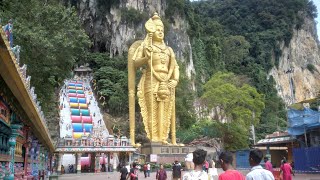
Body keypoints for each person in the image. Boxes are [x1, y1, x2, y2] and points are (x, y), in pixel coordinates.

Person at [128, 12, 180, 145]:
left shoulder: (169, 50)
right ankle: (154, 138)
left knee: (166, 110)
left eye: (162, 30)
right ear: (151, 31)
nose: (160, 32)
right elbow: (135, 63)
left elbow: (175, 67)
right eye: (157, 29)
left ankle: (164, 138)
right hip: (151, 78)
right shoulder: (146, 46)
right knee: (152, 110)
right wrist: (146, 57)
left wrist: (175, 80)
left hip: (166, 81)